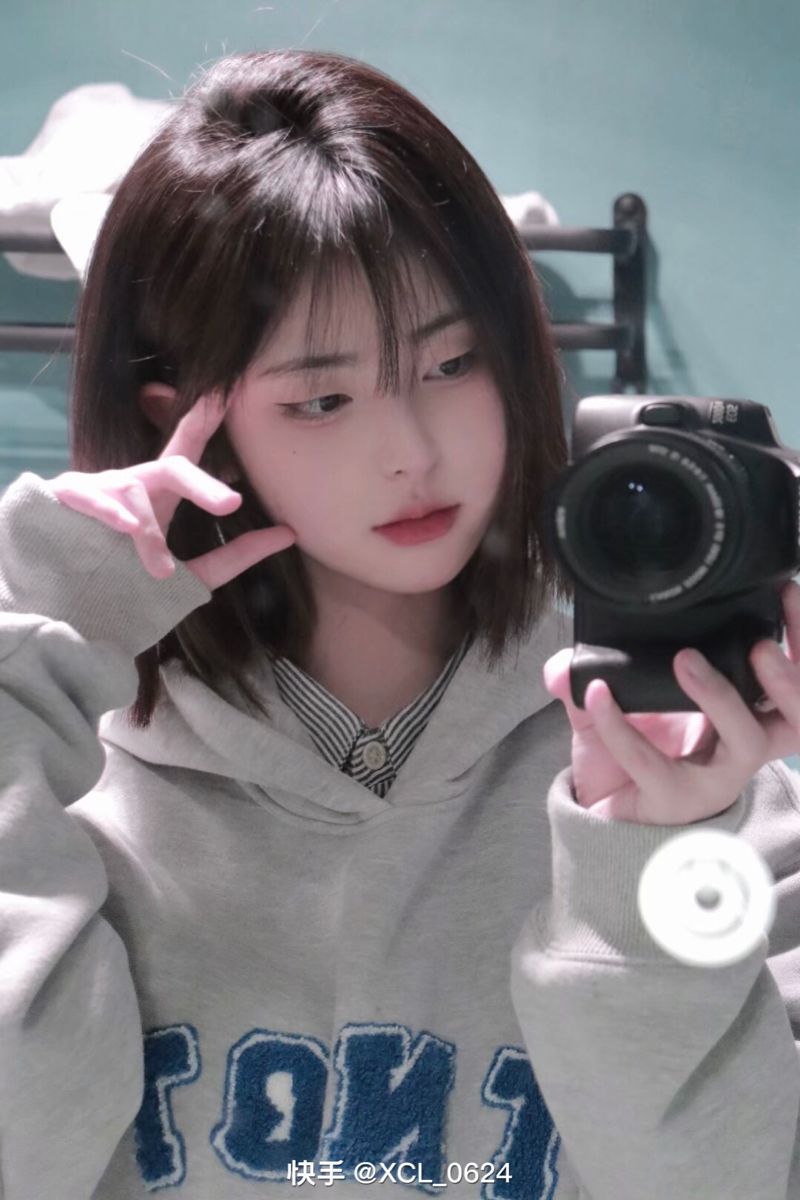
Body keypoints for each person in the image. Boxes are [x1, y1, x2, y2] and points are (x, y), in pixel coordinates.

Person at [0, 48, 799, 1200]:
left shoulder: (688, 760)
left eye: (452, 361)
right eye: (322, 398)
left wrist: (644, 866)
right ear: (185, 422)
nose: (411, 452)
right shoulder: (67, 774)